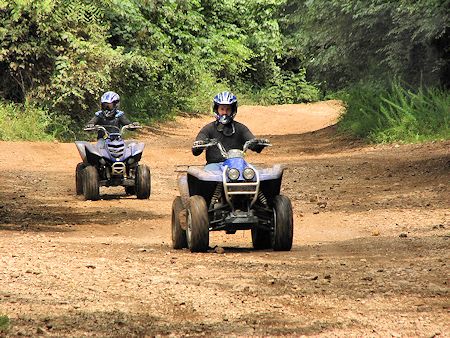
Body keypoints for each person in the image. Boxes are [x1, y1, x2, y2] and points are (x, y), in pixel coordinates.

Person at [192, 91, 266, 171]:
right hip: (214, 166)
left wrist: (258, 144)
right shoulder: (208, 128)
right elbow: (195, 151)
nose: (225, 112)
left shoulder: (241, 128)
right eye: (222, 109)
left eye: (228, 109)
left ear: (233, 110)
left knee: (255, 174)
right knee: (206, 178)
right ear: (216, 110)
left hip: (237, 165)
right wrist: (200, 145)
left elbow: (252, 141)